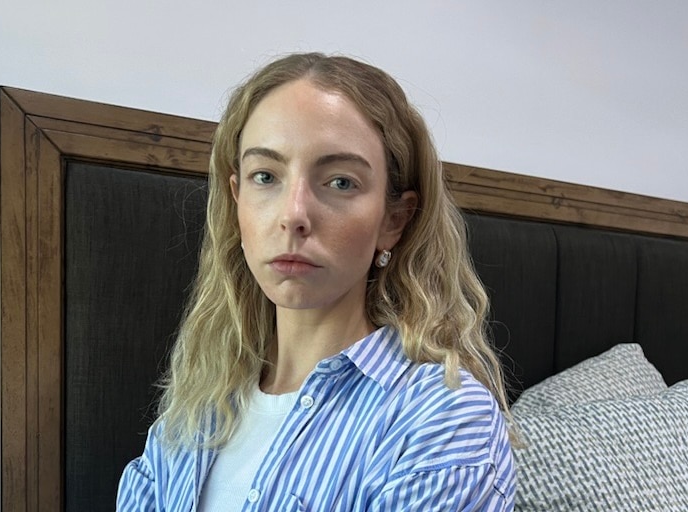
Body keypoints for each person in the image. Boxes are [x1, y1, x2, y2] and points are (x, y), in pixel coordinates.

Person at [117, 52, 515, 511]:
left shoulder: (442, 417)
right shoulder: (193, 410)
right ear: (236, 199)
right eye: (265, 176)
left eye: (341, 182)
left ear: (394, 220)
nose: (293, 215)